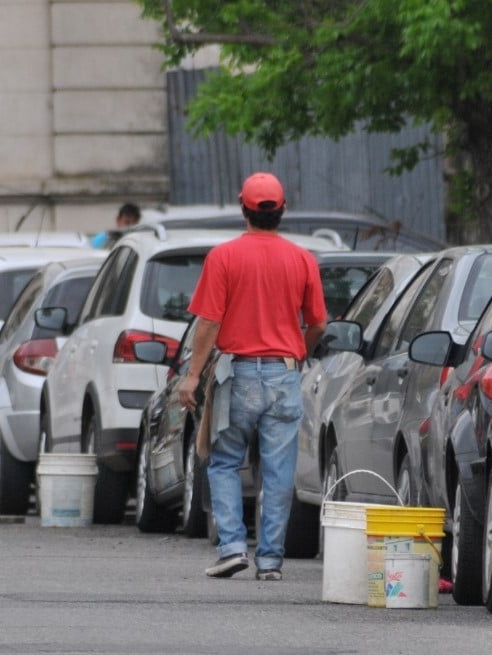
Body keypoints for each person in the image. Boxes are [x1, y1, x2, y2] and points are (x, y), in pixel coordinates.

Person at [178, 172, 326, 581]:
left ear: (243, 209)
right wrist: (297, 351)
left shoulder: (223, 257)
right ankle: (271, 563)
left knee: (224, 462)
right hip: (284, 375)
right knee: (278, 472)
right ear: (283, 211)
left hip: (236, 375)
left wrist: (191, 377)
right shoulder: (302, 260)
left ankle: (231, 547)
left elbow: (208, 323)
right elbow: (318, 324)